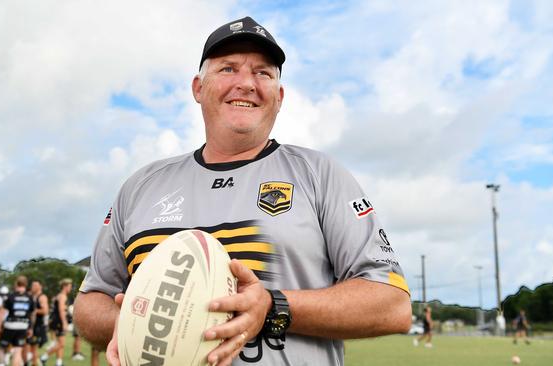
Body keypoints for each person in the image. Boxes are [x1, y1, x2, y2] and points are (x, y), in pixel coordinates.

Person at [74, 15, 412, 366]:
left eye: (263, 73)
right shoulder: (141, 186)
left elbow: (392, 304)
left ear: (279, 97)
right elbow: (91, 301)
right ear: (198, 88)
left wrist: (273, 305)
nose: (246, 84)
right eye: (228, 69)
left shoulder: (319, 174)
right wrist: (133, 325)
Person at [0, 276, 35, 366]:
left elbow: (2, 313)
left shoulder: (10, 296)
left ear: (16, 283)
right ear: (26, 284)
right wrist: (31, 328)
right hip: (23, 326)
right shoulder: (30, 297)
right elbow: (32, 314)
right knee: (18, 351)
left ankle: (1, 364)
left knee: (2, 348)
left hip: (10, 325)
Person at [40, 279, 72, 366]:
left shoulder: (59, 296)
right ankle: (44, 357)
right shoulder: (62, 296)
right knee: (61, 344)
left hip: (56, 322)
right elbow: (61, 311)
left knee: (60, 343)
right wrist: (65, 323)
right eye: (69, 286)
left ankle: (59, 363)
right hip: (59, 322)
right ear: (65, 286)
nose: (70, 288)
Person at [26, 280, 49, 366]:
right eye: (32, 285)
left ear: (40, 286)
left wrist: (33, 311)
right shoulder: (31, 296)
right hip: (30, 326)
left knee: (33, 348)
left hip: (38, 326)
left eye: (35, 285)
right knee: (30, 348)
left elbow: (45, 310)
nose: (33, 287)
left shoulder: (42, 297)